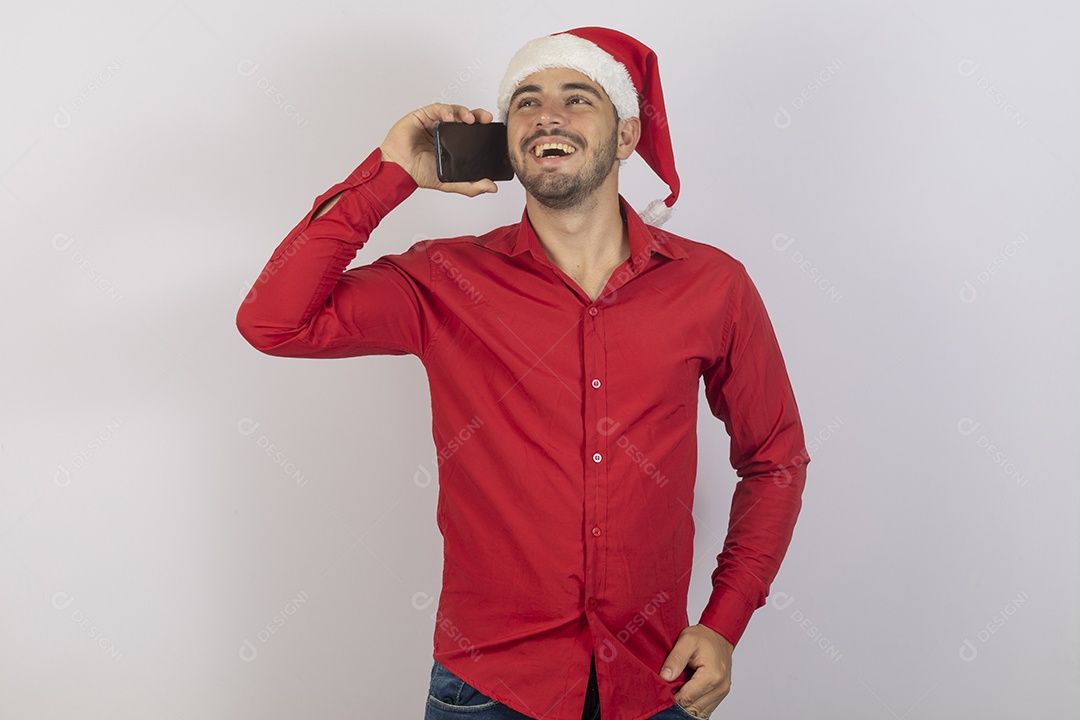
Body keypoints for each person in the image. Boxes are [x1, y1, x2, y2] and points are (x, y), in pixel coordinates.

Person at [237, 26, 808, 720]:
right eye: (528, 102)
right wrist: (391, 173)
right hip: (489, 690)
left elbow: (774, 459)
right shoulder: (444, 279)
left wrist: (723, 623)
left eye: (577, 98)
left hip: (653, 682)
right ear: (510, 141)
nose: (548, 115)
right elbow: (275, 321)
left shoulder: (713, 285)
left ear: (627, 136)